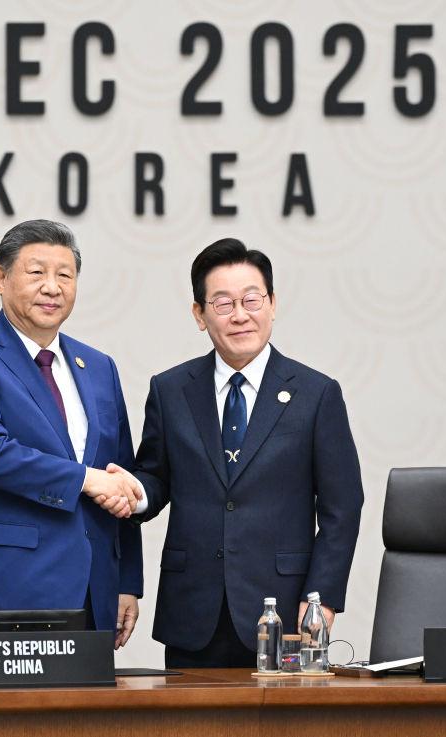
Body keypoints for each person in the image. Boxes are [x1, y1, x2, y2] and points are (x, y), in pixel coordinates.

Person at [130, 238, 364, 667]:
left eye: (252, 300)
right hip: (193, 612)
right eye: (223, 303)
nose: (240, 315)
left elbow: (342, 507)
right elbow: (155, 477)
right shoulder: (170, 390)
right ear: (199, 314)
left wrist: (322, 599)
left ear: (272, 304)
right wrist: (132, 493)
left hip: (284, 610)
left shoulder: (316, 394)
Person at [0, 219, 143, 647]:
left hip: (92, 591)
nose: (52, 287)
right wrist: (85, 479)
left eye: (65, 275)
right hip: (4, 585)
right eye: (36, 273)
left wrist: (127, 582)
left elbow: (119, 475)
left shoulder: (98, 367)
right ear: (1, 278)